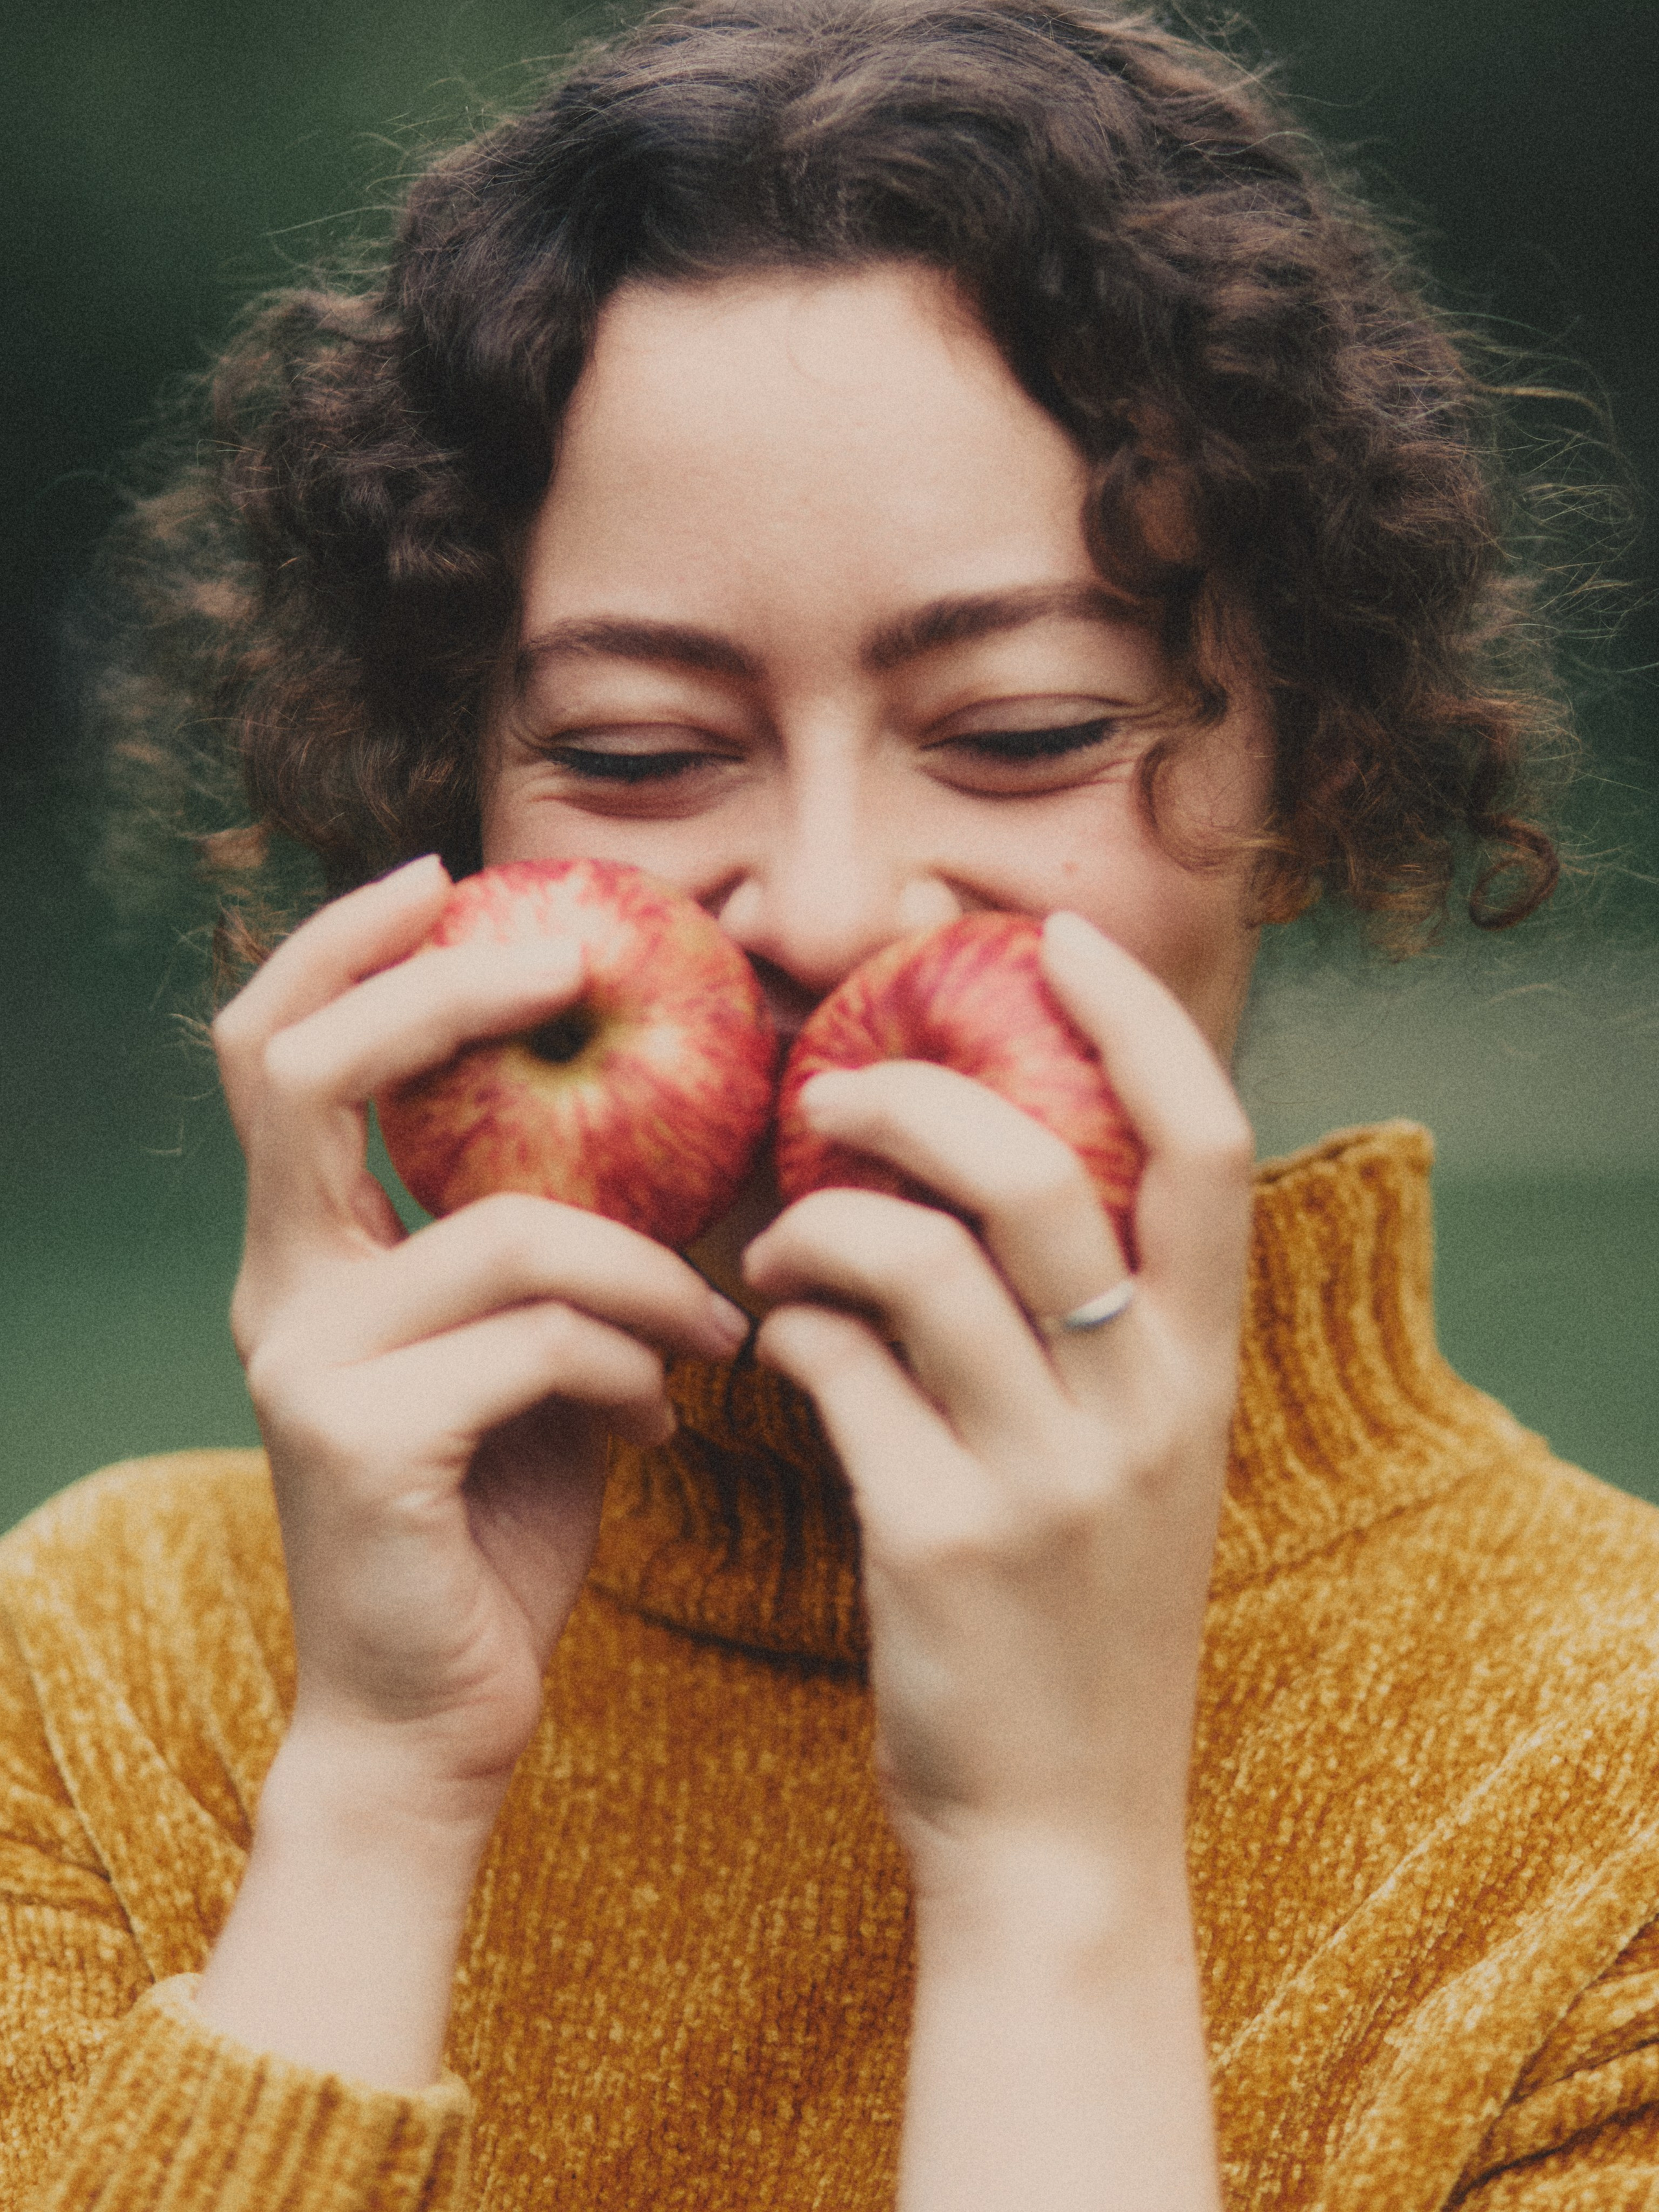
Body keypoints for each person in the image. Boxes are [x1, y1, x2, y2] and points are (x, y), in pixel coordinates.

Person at [3, 1, 1655, 2206]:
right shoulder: (100, 1683)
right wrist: (377, 1792)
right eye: (639, 753)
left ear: (1312, 769)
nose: (829, 899)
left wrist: (1057, 1871)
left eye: (1026, 731)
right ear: (452, 813)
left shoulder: (1609, 1801)